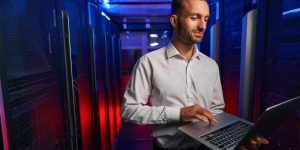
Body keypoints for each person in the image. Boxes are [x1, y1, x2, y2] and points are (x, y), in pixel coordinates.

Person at [121, 0, 268, 149]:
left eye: (205, 19)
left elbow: (216, 112)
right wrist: (179, 113)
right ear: (174, 21)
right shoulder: (148, 63)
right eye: (194, 18)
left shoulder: (211, 66)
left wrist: (236, 141)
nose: (202, 26)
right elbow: (129, 110)